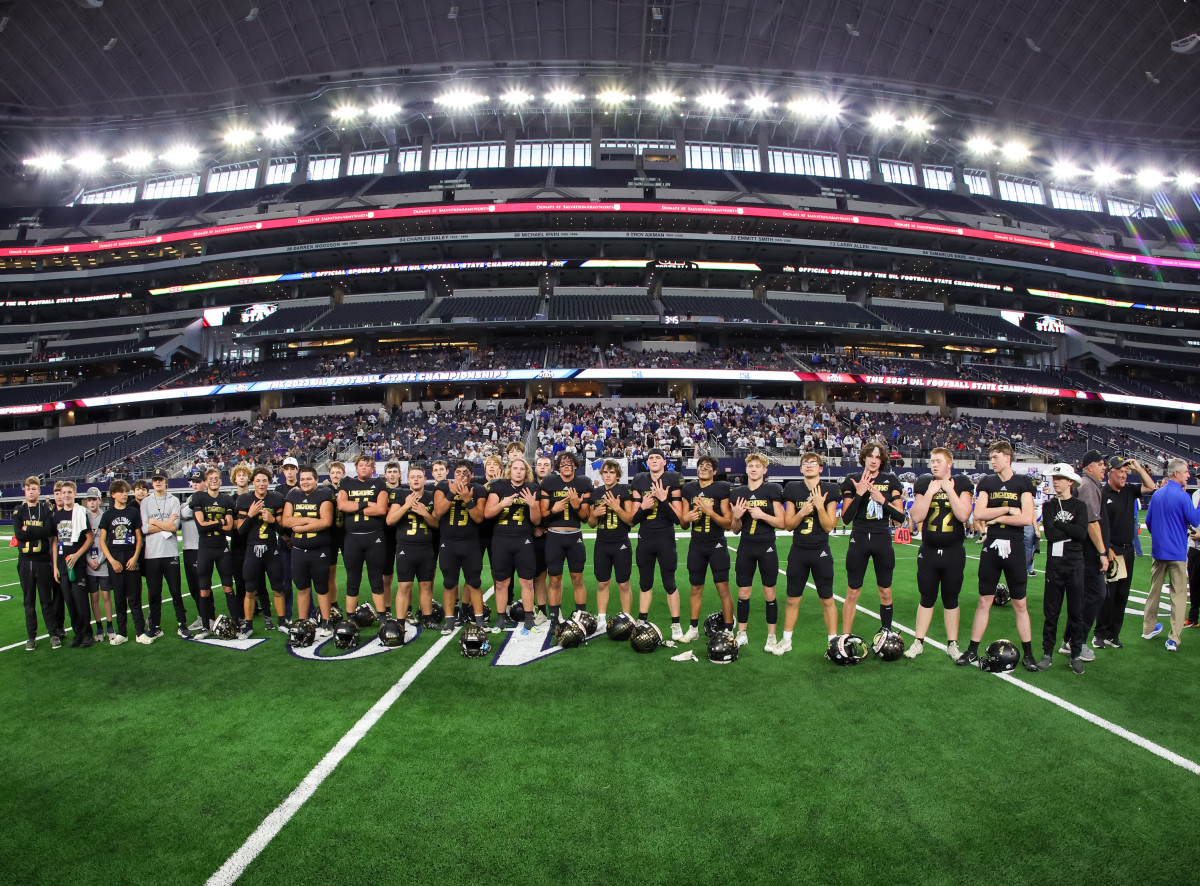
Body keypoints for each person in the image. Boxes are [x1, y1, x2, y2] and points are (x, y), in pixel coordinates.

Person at [957, 440, 1039, 671]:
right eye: (990, 456)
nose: (992, 460)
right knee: (984, 601)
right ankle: (972, 650)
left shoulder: (1023, 482)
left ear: (1007, 457)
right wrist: (1007, 509)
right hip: (992, 545)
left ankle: (1029, 654)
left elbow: (1025, 518)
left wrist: (998, 518)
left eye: (995, 456)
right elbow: (979, 512)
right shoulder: (987, 482)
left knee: (1020, 604)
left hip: (1014, 545)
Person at [904, 448, 974, 661]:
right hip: (929, 551)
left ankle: (952, 644)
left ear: (949, 463)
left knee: (951, 598)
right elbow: (916, 515)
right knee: (926, 597)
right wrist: (930, 492)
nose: (933, 465)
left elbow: (963, 515)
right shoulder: (925, 483)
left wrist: (949, 490)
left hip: (953, 551)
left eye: (938, 461)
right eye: (932, 461)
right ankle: (918, 642)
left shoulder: (962, 483)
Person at [839, 441, 905, 635]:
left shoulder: (890, 480)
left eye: (878, 457)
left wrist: (883, 500)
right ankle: (845, 637)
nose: (874, 460)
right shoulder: (852, 479)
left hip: (881, 537)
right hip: (859, 536)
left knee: (885, 591)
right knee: (852, 592)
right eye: (870, 456)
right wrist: (859, 493)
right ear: (864, 458)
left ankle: (886, 633)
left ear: (882, 460)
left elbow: (900, 518)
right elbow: (845, 519)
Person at [779, 452, 840, 654]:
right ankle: (786, 640)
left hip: (820, 551)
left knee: (827, 599)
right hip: (798, 551)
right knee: (792, 599)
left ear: (821, 468)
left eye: (814, 463)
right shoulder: (792, 488)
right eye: (805, 463)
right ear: (801, 468)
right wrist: (803, 511)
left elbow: (830, 526)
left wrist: (820, 507)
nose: (809, 465)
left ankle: (833, 642)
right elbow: (788, 525)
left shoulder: (830, 489)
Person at [1035, 464, 1090, 674]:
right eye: (1054, 478)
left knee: (1076, 612)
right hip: (1055, 565)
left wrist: (1063, 527)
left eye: (1059, 478)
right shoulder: (1049, 506)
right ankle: (1047, 653)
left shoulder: (1079, 506)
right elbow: (1050, 534)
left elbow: (1082, 533)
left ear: (1070, 482)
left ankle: (1075, 654)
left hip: (1075, 564)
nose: (1055, 481)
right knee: (1051, 612)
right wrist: (1071, 530)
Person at [729, 453, 786, 650]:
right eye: (751, 466)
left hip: (766, 545)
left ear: (764, 470)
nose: (754, 469)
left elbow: (783, 522)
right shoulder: (738, 493)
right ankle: (742, 633)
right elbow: (734, 529)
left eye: (758, 466)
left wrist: (762, 515)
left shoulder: (772, 490)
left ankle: (771, 636)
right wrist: (736, 517)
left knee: (769, 593)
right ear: (746, 469)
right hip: (746, 545)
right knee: (743, 592)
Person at [1143, 457, 1200, 651]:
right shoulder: (1184, 497)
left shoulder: (1157, 495)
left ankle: (1148, 628)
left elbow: (1149, 523)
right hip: (1176, 554)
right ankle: (1173, 638)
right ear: (1176, 473)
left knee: (1154, 592)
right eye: (1186, 472)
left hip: (1158, 552)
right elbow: (1195, 520)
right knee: (1178, 596)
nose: (1188, 475)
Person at [1097, 456, 1152, 647]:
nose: (1123, 475)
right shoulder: (1103, 493)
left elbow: (1151, 487)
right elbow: (1099, 524)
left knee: (1122, 594)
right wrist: (1106, 547)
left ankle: (1114, 633)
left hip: (1128, 551)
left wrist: (1138, 468)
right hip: (1113, 550)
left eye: (1125, 472)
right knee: (1108, 595)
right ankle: (1100, 634)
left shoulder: (1129, 490)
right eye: (1120, 471)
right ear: (1110, 472)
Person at [484, 456, 543, 634]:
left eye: (522, 469)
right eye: (515, 468)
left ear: (526, 472)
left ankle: (529, 620)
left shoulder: (532, 488)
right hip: (501, 538)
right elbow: (487, 513)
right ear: (510, 470)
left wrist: (533, 505)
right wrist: (503, 503)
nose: (518, 471)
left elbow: (537, 520)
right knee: (501, 583)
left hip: (523, 539)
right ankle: (501, 619)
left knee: (527, 581)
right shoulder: (499, 486)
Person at [629, 448, 684, 633]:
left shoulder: (672, 479)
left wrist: (663, 499)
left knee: (669, 582)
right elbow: (632, 520)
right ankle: (641, 620)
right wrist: (643, 507)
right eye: (651, 457)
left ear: (664, 462)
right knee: (645, 582)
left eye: (657, 457)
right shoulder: (639, 480)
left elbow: (678, 518)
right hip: (645, 537)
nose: (653, 460)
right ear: (647, 462)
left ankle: (676, 624)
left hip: (665, 537)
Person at [680, 455, 734, 640]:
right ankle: (693, 629)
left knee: (723, 587)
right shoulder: (689, 488)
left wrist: (710, 512)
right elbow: (683, 523)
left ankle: (728, 630)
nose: (703, 468)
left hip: (716, 543)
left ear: (715, 471)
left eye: (708, 466)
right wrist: (686, 518)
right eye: (701, 466)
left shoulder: (722, 488)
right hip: (696, 544)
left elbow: (728, 523)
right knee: (695, 588)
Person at [432, 459, 489, 634]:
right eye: (458, 472)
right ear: (453, 473)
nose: (461, 476)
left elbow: (479, 518)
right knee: (449, 583)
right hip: (448, 543)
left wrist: (467, 500)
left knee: (474, 582)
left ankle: (479, 621)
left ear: (472, 475)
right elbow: (438, 512)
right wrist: (451, 494)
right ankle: (450, 621)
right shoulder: (442, 488)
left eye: (465, 473)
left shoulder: (478, 490)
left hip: (471, 543)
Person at [538, 452, 593, 627]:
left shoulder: (583, 483)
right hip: (554, 537)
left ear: (576, 466)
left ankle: (581, 616)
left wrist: (576, 506)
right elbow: (542, 516)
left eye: (569, 463)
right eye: (562, 463)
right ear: (558, 467)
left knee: (578, 578)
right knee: (554, 579)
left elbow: (585, 518)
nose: (566, 466)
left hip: (574, 536)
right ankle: (554, 619)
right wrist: (554, 510)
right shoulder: (549, 482)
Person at [282, 465, 335, 635]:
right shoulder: (293, 495)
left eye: (308, 479)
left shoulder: (324, 494)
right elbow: (286, 521)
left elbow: (326, 521)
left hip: (319, 550)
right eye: (302, 479)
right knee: (302, 588)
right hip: (298, 550)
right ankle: (303, 622)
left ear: (316, 480)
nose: (305, 482)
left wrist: (300, 526)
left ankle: (326, 621)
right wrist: (309, 520)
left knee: (322, 587)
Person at [337, 453, 390, 621]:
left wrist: (354, 507)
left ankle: (382, 616)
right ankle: (350, 617)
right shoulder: (346, 482)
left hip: (374, 538)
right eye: (361, 465)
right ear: (356, 467)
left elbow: (381, 509)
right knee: (352, 579)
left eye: (367, 465)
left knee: (376, 579)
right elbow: (342, 505)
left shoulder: (379, 482)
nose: (364, 467)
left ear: (373, 468)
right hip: (352, 538)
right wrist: (366, 504)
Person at [235, 467, 287, 638]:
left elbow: (282, 530)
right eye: (258, 480)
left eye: (264, 480)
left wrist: (272, 521)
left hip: (271, 549)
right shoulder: (244, 500)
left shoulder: (276, 498)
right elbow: (240, 531)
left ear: (269, 482)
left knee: (278, 588)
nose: (261, 484)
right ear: (253, 483)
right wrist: (250, 515)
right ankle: (248, 626)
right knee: (250, 590)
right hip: (252, 550)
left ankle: (282, 622)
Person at [386, 464, 438, 629]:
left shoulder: (431, 496)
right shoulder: (401, 494)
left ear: (424, 479)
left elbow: (436, 524)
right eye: (412, 477)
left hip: (426, 546)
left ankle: (427, 618)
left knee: (426, 585)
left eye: (419, 476)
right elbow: (390, 520)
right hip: (405, 547)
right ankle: (400, 621)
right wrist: (406, 505)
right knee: (404, 585)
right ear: (407, 479)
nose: (416, 479)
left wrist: (424, 513)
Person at [140, 471, 191, 639]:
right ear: (152, 483)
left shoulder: (174, 500)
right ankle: (155, 626)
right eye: (155, 480)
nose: (157, 482)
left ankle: (182, 624)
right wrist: (165, 523)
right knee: (154, 593)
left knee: (176, 591)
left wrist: (154, 521)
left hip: (170, 553)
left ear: (165, 481)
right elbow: (144, 529)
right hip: (151, 555)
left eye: (160, 479)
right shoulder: (146, 502)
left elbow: (174, 527)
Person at [588, 458, 636, 634]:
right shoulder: (596, 493)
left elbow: (630, 521)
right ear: (601, 474)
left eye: (611, 472)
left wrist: (617, 508)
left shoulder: (624, 491)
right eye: (605, 472)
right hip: (602, 543)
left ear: (617, 475)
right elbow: (591, 523)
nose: (608, 475)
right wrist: (594, 513)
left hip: (620, 542)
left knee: (623, 584)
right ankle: (601, 618)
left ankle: (627, 618)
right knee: (602, 583)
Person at [99, 479, 149, 646]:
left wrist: (135, 558)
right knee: (119, 599)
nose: (125, 494)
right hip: (115, 561)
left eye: (126, 491)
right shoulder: (107, 515)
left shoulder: (133, 513)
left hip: (131, 559)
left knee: (134, 598)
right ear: (113, 494)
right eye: (121, 491)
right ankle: (122, 633)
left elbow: (139, 537)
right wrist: (112, 561)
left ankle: (140, 632)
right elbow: (102, 541)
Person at [1072, 450, 1111, 657]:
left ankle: (1072, 640)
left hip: (1087, 552)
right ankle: (1077, 641)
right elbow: (1092, 523)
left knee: (1088, 596)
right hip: (1088, 552)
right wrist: (1102, 552)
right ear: (1089, 467)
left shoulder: (1090, 485)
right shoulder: (1088, 486)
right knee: (1096, 595)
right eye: (1100, 463)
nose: (1104, 467)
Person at [190, 467, 237, 635]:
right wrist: (220, 522)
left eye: (217, 477)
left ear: (221, 480)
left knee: (228, 587)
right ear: (206, 481)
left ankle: (236, 623)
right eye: (211, 478)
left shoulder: (227, 500)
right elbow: (201, 526)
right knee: (204, 588)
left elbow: (230, 527)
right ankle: (205, 626)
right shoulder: (199, 497)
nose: (214, 480)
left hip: (222, 547)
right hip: (205, 547)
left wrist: (214, 522)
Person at [15, 476, 58, 650]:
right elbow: (19, 535)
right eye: (28, 488)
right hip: (25, 562)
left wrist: (29, 529)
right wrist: (38, 531)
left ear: (39, 491)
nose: (31, 491)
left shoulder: (45, 510)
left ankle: (53, 634)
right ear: (25, 491)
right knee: (28, 602)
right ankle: (31, 637)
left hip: (42, 562)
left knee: (46, 601)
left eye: (34, 488)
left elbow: (48, 531)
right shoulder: (19, 510)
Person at [53, 480, 95, 648]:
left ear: (74, 494)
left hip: (77, 566)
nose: (66, 495)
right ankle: (77, 633)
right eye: (64, 493)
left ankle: (87, 634)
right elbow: (55, 541)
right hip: (62, 566)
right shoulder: (56, 515)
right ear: (60, 495)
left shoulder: (80, 512)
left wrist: (77, 555)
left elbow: (90, 538)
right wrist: (55, 566)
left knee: (80, 601)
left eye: (69, 492)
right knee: (69, 602)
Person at [83, 486, 114, 643]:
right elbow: (83, 541)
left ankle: (110, 626)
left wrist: (101, 560)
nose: (92, 502)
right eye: (89, 500)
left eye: (94, 499)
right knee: (93, 597)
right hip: (89, 563)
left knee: (106, 595)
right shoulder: (83, 517)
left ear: (99, 500)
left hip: (103, 563)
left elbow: (107, 541)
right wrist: (89, 560)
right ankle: (99, 627)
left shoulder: (106, 516)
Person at [180, 471, 206, 632]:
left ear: (204, 483)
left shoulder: (204, 498)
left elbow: (187, 512)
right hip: (187, 547)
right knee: (193, 588)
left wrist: (191, 506)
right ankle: (201, 616)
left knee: (202, 585)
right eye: (193, 482)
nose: (195, 484)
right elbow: (184, 513)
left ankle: (207, 618)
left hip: (200, 547)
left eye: (198, 481)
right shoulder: (189, 499)